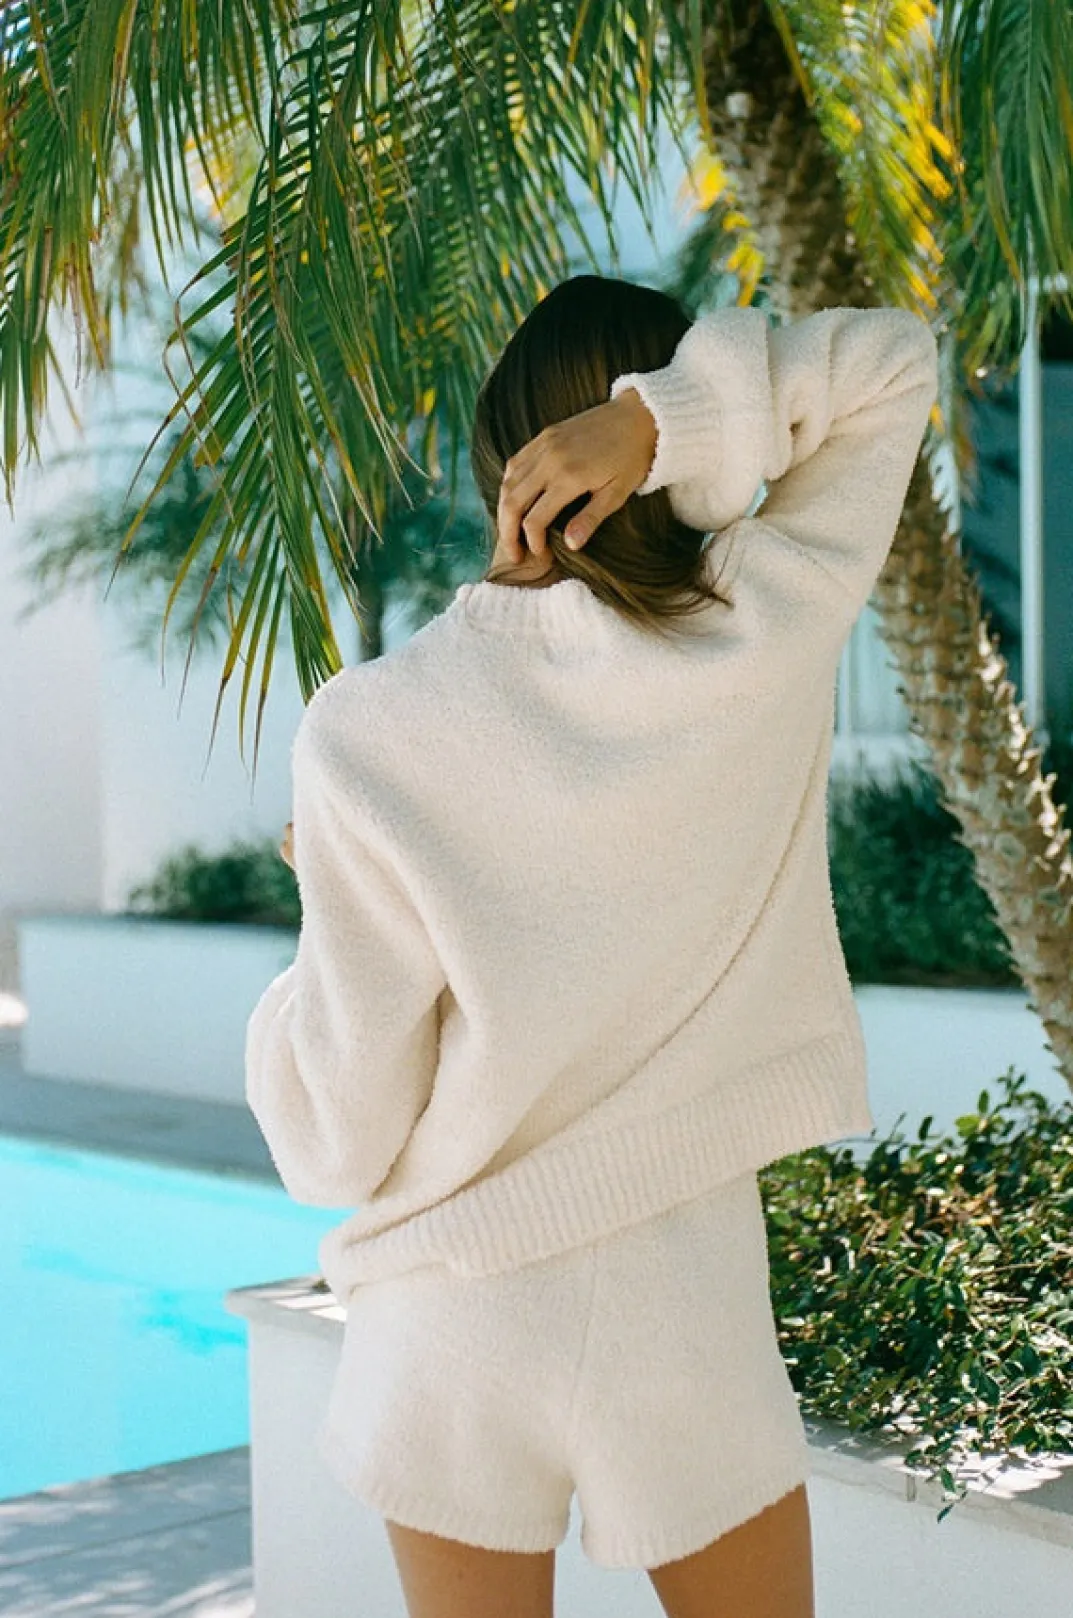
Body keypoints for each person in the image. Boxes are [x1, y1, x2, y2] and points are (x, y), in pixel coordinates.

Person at [247, 273, 940, 1618]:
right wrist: (660, 422)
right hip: (682, 1304)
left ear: (496, 452)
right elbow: (890, 363)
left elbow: (330, 1143)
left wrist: (319, 908)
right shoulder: (760, 626)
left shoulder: (371, 728)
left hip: (450, 1319)